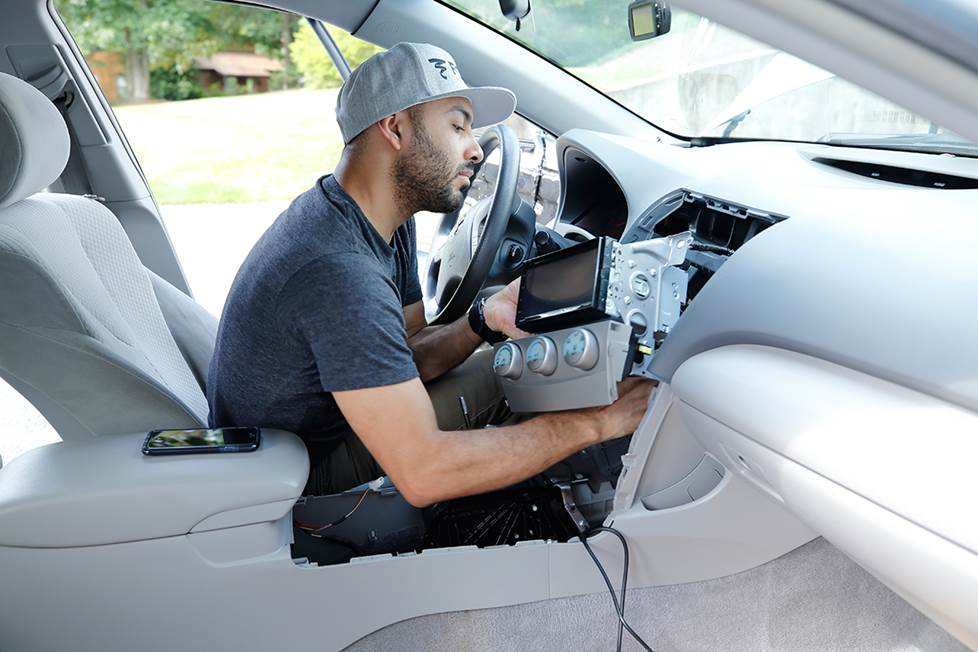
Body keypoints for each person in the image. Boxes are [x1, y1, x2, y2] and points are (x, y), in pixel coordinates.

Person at [207, 42, 653, 505]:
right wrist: (600, 421)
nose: (476, 149)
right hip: (296, 482)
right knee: (522, 375)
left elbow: (411, 353)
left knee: (515, 359)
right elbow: (425, 473)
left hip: (325, 430)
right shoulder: (337, 271)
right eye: (458, 125)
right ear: (395, 128)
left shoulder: (376, 216)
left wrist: (485, 318)